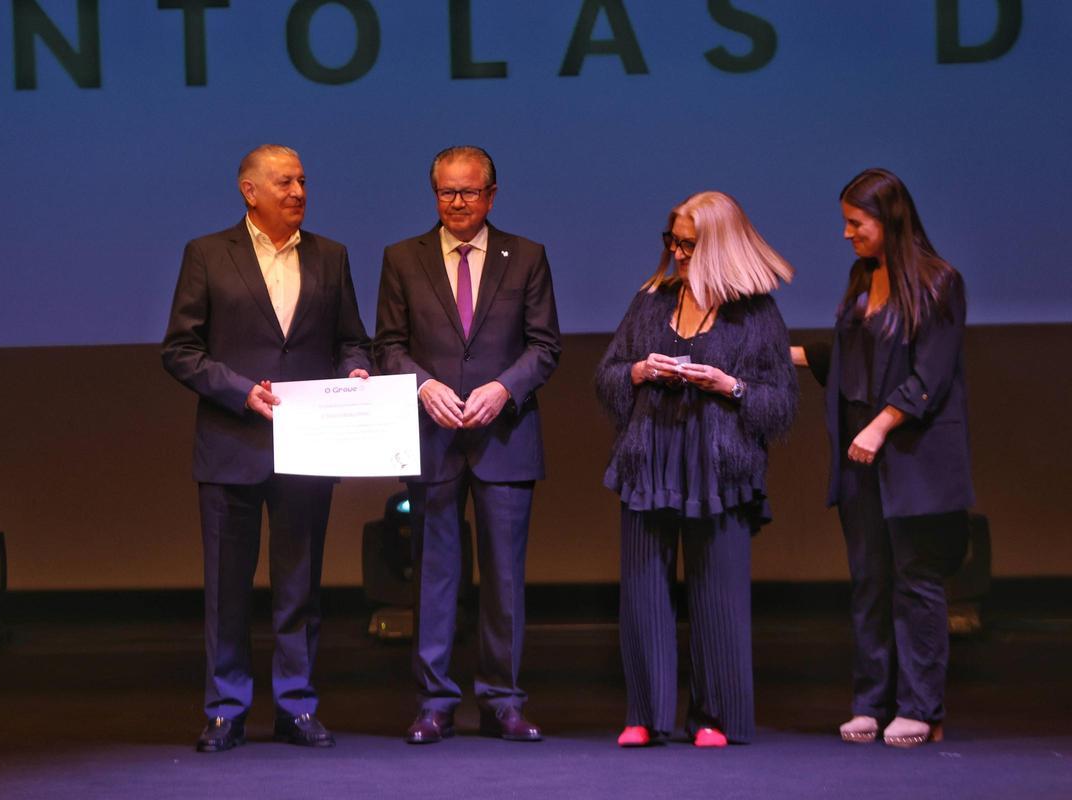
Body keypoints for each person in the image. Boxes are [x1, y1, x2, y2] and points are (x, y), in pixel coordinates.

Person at [162, 144, 372, 752]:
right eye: (284, 182)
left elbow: (352, 340)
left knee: (300, 585)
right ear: (249, 192)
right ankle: (226, 709)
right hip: (232, 443)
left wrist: (355, 373)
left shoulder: (331, 256)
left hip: (309, 447)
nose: (298, 192)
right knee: (227, 589)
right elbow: (180, 349)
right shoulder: (207, 254)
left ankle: (296, 705)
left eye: (303, 180)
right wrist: (238, 391)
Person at [374, 146, 561, 744]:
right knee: (435, 575)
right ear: (434, 194)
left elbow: (544, 346)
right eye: (446, 193)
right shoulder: (402, 258)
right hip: (430, 437)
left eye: (469, 192)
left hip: (504, 437)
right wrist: (422, 386)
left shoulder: (526, 256)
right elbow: (388, 346)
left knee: (505, 578)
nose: (457, 203)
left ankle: (503, 700)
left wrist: (504, 389)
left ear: (492, 194)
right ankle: (435, 701)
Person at [595, 191, 796, 748]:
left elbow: (781, 402)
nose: (679, 253)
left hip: (718, 469)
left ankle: (715, 716)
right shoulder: (651, 301)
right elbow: (606, 375)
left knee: (719, 596)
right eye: (673, 241)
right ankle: (646, 714)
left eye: (690, 243)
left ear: (720, 245)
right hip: (649, 459)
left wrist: (727, 385)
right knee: (642, 591)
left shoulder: (753, 313)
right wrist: (637, 371)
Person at [791, 168, 972, 748]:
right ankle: (871, 701)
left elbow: (931, 376)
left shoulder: (940, 283)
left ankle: (920, 706)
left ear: (888, 219)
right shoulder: (861, 277)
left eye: (855, 223)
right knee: (869, 577)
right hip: (859, 455)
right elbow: (849, 356)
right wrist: (771, 353)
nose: (847, 234)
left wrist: (881, 425)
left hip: (911, 454)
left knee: (915, 580)